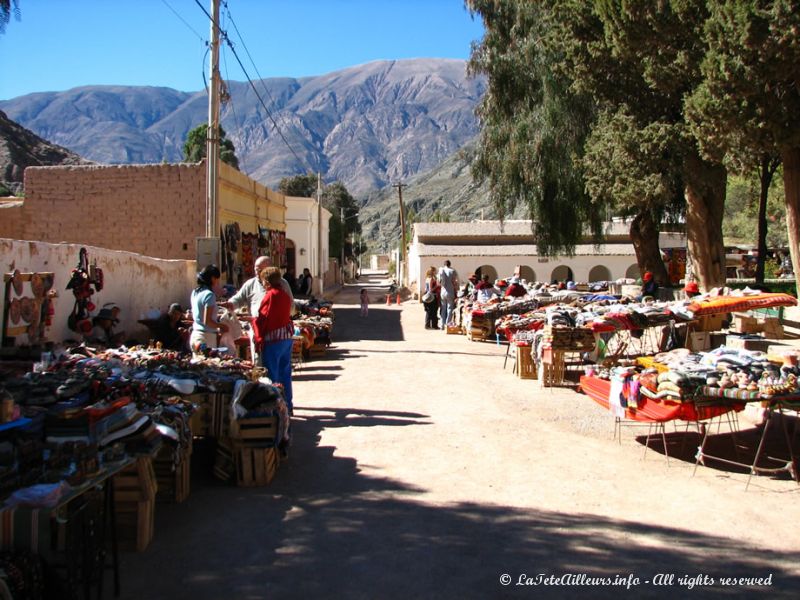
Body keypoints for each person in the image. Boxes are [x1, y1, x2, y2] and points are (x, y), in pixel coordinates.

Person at [253, 267, 295, 412]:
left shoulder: (270, 296)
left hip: (273, 340)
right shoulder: (284, 295)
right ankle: (288, 405)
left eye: (263, 281)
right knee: (285, 374)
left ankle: (276, 409)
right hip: (286, 339)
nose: (262, 284)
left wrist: (254, 324)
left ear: (267, 281)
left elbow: (264, 320)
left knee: (272, 376)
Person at [222, 256, 294, 317]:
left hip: (276, 327)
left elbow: (291, 306)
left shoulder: (282, 283)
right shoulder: (250, 284)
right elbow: (238, 298)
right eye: (256, 270)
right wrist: (231, 304)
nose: (257, 273)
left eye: (261, 270)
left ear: (270, 269)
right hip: (255, 327)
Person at [190, 264, 228, 352]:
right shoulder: (209, 295)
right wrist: (222, 326)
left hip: (195, 334)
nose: (217, 282)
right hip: (205, 338)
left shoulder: (195, 292)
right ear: (212, 278)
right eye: (217, 279)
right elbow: (207, 321)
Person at [437, 260, 458, 329]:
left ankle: (442, 324)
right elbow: (455, 282)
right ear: (450, 264)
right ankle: (447, 324)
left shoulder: (441, 270)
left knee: (443, 308)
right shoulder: (452, 271)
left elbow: (439, 282)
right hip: (450, 291)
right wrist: (456, 290)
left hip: (443, 292)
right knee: (449, 308)